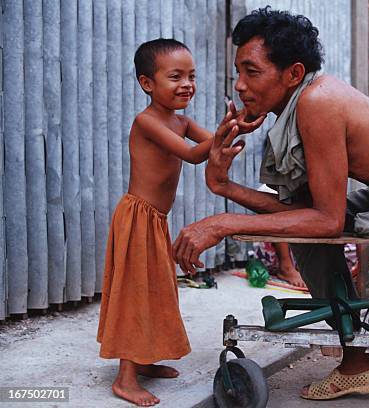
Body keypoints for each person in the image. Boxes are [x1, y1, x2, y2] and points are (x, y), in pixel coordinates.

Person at [173, 8, 369, 400]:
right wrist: (223, 186)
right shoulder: (302, 103)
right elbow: (305, 219)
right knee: (313, 231)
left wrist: (222, 224)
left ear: (293, 74)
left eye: (252, 72)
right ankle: (358, 364)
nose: (239, 85)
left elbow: (326, 221)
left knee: (363, 227)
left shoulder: (317, 102)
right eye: (239, 72)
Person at [96, 38, 263, 407]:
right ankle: (125, 378)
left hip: (156, 220)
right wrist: (224, 132)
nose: (187, 83)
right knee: (136, 293)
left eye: (191, 76)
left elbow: (214, 147)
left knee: (157, 289)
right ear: (147, 83)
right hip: (137, 217)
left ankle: (144, 359)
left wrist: (238, 128)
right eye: (175, 76)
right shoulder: (147, 121)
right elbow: (192, 154)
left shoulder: (181, 120)